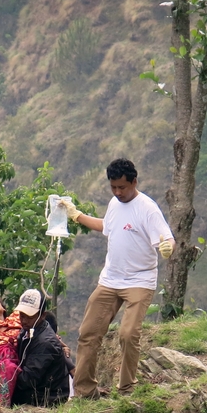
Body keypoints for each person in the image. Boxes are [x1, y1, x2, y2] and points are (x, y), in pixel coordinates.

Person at [63, 159, 174, 398]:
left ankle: (126, 388)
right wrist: (77, 216)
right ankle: (84, 391)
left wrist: (167, 246)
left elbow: (166, 237)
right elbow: (107, 226)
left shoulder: (148, 208)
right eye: (113, 187)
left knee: (128, 334)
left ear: (134, 182)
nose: (117, 192)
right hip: (111, 279)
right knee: (88, 332)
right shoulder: (115, 203)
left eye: (122, 187)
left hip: (139, 281)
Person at [10, 289, 71, 407]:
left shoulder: (46, 343)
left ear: (42, 316)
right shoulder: (27, 331)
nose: (24, 320)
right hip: (36, 392)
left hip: (46, 399)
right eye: (22, 315)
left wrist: (5, 374)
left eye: (30, 317)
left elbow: (28, 380)